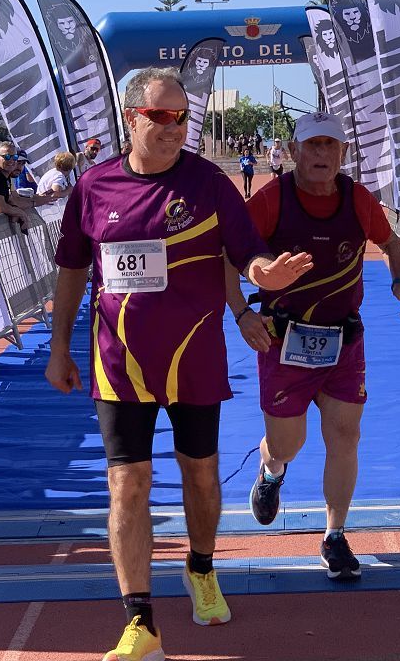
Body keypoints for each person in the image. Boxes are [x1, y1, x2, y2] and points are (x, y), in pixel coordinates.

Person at [44, 67, 312, 661]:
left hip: (194, 360)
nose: (175, 128)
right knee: (127, 483)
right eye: (162, 116)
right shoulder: (93, 187)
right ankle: (140, 621)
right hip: (119, 364)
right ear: (132, 118)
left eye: (183, 117)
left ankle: (201, 568)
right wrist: (61, 346)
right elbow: (71, 271)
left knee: (200, 475)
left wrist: (264, 274)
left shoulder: (210, 183)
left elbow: (247, 254)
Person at [227, 111, 400, 582]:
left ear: (343, 155)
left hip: (343, 341)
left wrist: (399, 280)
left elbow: (393, 244)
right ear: (292, 153)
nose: (321, 155)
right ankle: (271, 471)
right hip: (282, 340)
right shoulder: (271, 200)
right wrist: (244, 314)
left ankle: (334, 536)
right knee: (290, 443)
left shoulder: (357, 200)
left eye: (331, 146)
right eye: (312, 146)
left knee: (346, 436)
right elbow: (224, 260)